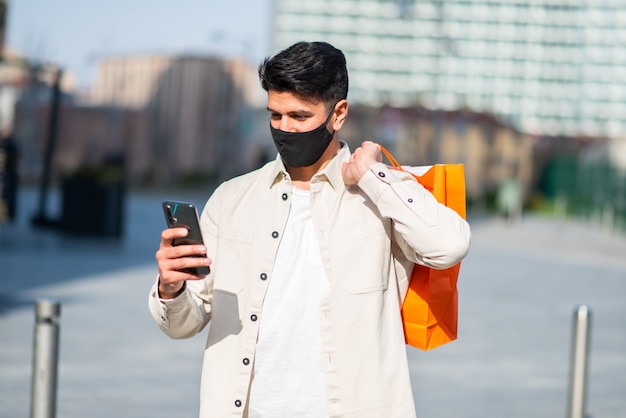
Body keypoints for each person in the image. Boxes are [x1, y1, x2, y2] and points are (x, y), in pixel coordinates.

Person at [149, 41, 471, 418]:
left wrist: (373, 175)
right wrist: (171, 290)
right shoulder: (231, 199)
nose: (285, 129)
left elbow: (449, 245)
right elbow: (185, 323)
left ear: (338, 114)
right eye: (275, 116)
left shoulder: (380, 195)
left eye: (299, 117)